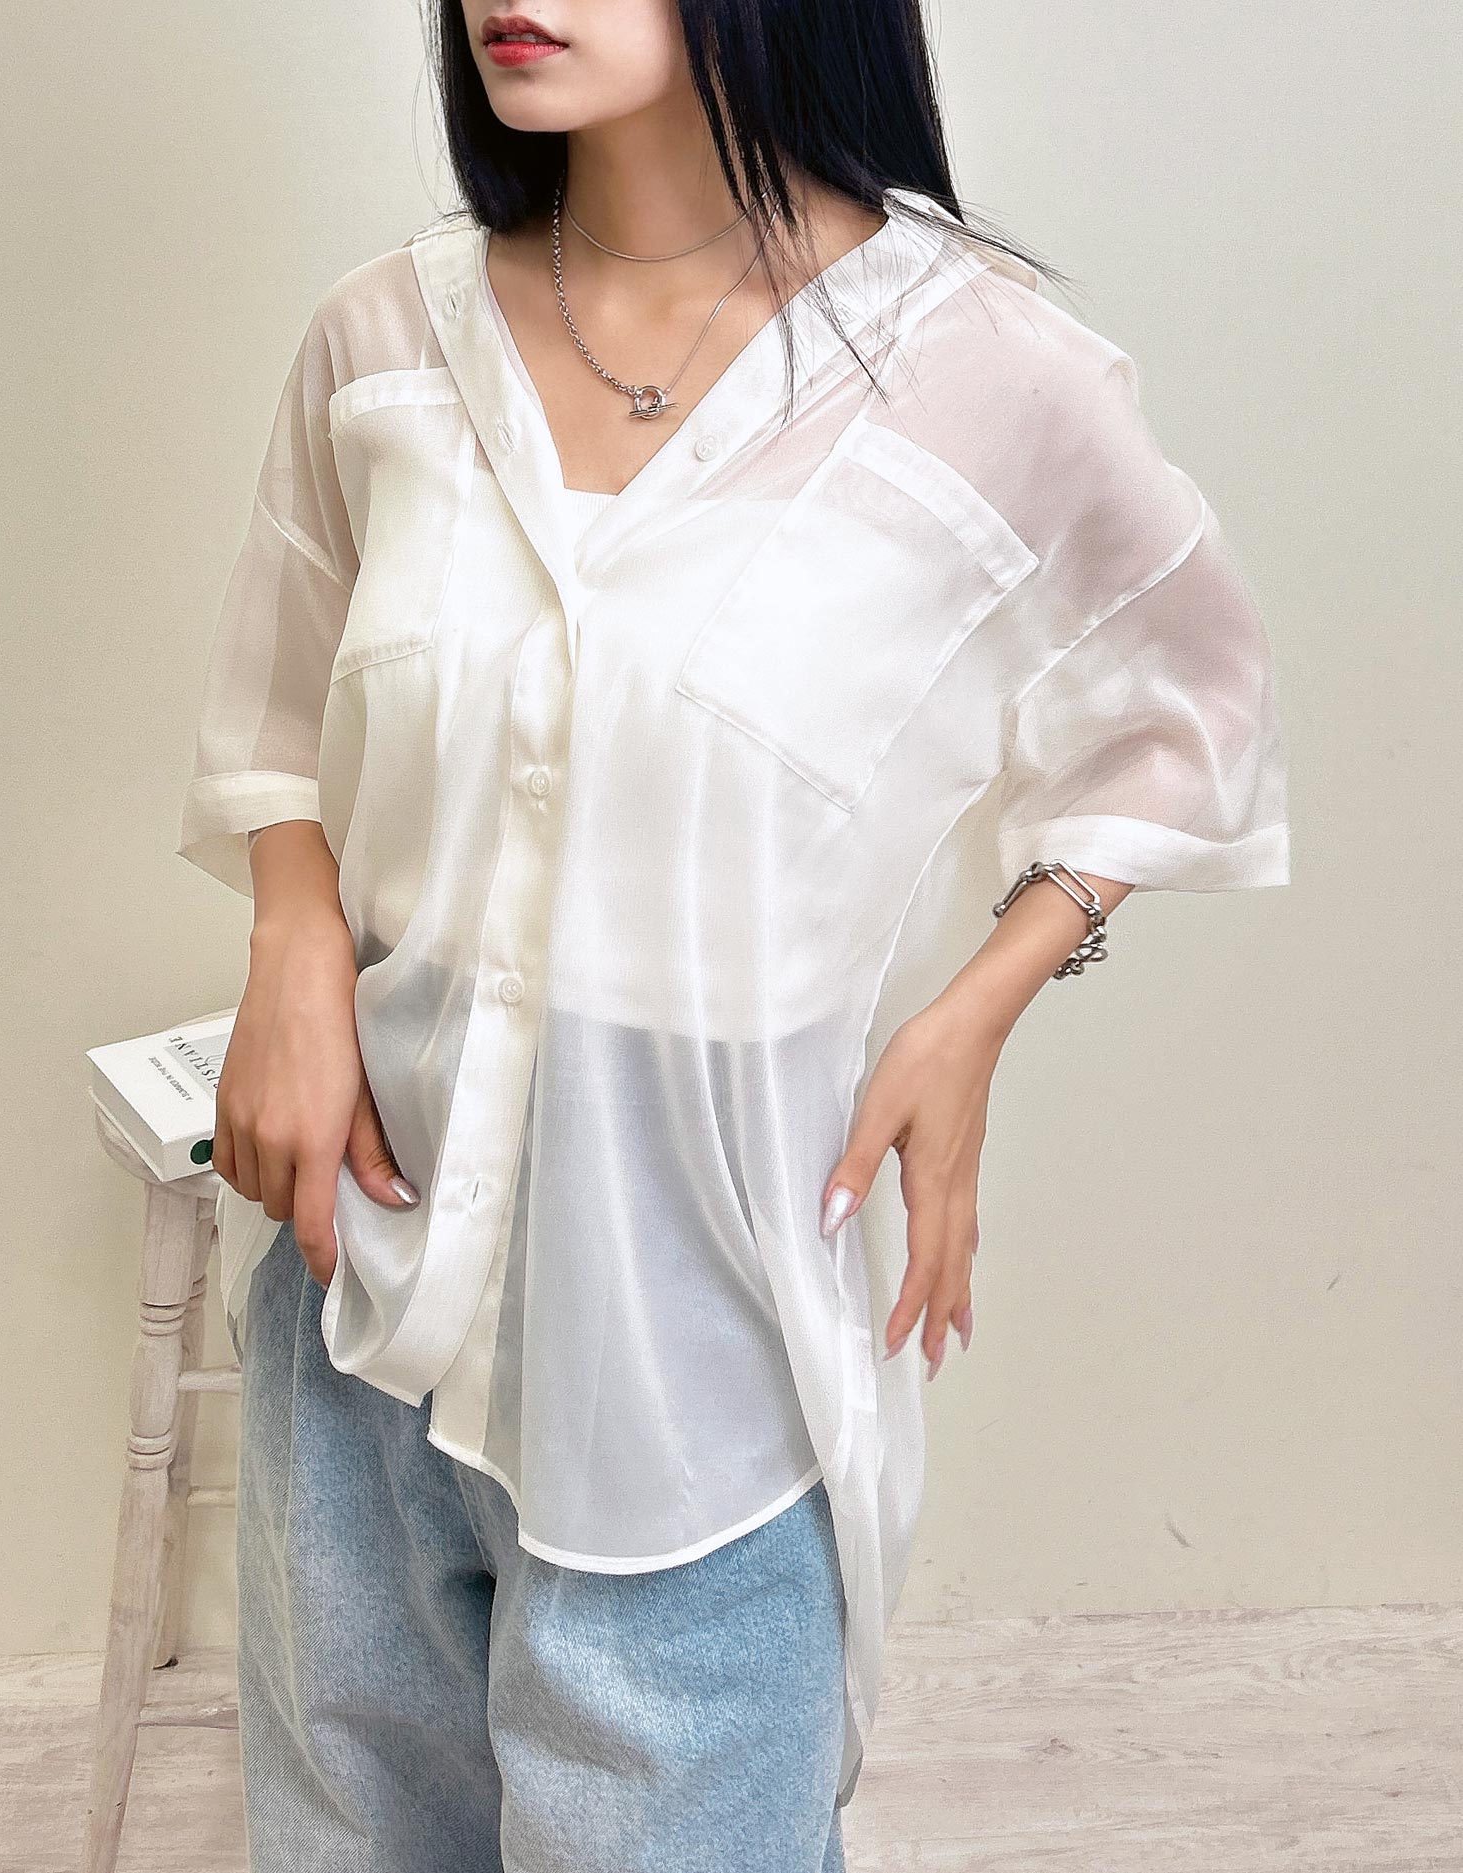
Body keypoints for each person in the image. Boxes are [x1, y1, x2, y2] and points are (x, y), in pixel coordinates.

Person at [175, 1, 1293, 1867]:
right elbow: (276, 714)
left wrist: (983, 1001)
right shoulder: (383, 339)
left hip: (694, 1362)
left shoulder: (983, 370)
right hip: (354, 1295)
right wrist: (293, 940)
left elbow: (1200, 701)